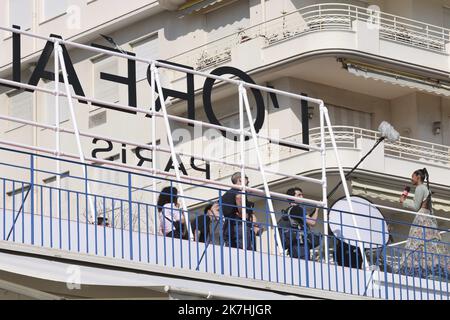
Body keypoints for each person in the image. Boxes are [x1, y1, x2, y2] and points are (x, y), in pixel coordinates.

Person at [395, 168, 449, 279]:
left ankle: (414, 267)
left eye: (412, 177)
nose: (412, 179)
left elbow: (415, 206)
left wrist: (403, 201)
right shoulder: (427, 189)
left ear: (418, 177)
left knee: (416, 242)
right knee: (427, 244)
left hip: (422, 217)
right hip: (429, 218)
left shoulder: (420, 188)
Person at [221, 172, 261, 250]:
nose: (248, 181)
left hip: (227, 226)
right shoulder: (239, 191)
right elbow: (239, 198)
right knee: (245, 250)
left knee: (231, 252)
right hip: (239, 225)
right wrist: (243, 214)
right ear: (240, 179)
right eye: (246, 178)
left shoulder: (226, 194)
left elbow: (215, 208)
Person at [277, 187, 320, 259]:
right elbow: (312, 222)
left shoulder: (288, 210)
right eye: (299, 195)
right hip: (300, 245)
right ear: (292, 197)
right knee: (304, 265)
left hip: (293, 245)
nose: (302, 197)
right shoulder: (298, 209)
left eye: (302, 195)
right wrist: (317, 209)